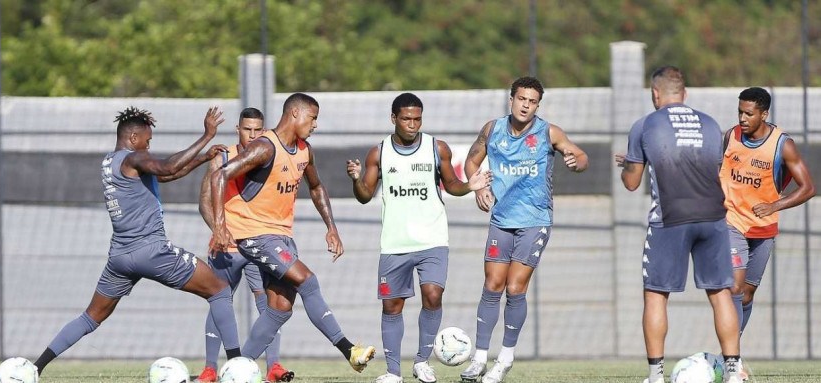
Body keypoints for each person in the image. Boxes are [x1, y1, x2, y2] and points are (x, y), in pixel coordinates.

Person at [33, 106, 241, 375]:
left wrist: (203, 158)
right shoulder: (133, 159)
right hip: (152, 251)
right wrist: (206, 136)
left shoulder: (111, 162)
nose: (148, 146)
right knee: (220, 290)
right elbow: (167, 166)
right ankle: (238, 367)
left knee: (90, 317)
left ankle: (36, 368)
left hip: (120, 257)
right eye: (147, 140)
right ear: (133, 138)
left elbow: (167, 174)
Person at [209, 93, 375, 374]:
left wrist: (331, 227)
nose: (315, 125)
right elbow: (219, 175)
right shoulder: (264, 147)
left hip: (282, 235)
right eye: (313, 118)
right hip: (255, 235)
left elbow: (317, 187)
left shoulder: (305, 150)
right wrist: (220, 225)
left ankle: (236, 370)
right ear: (295, 114)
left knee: (281, 307)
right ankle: (349, 350)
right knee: (307, 281)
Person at [346, 93, 492, 383]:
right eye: (406, 119)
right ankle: (392, 372)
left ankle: (422, 361)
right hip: (395, 242)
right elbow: (365, 196)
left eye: (417, 118)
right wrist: (356, 179)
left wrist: (470, 185)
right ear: (394, 119)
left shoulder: (437, 148)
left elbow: (451, 184)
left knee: (433, 295)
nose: (412, 124)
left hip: (433, 239)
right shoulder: (379, 153)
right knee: (392, 306)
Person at [616, 66, 742, 383]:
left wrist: (631, 164)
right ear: (684, 95)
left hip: (670, 219)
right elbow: (711, 171)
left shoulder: (645, 124)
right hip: (714, 218)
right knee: (721, 294)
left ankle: (656, 376)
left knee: (656, 295)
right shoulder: (711, 125)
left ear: (655, 95)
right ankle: (733, 372)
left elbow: (631, 183)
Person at [460, 76, 588, 383]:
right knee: (492, 285)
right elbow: (470, 162)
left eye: (532, 101)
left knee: (515, 288)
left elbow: (581, 156)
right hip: (502, 219)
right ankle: (479, 358)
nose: (526, 105)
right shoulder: (492, 129)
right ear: (512, 99)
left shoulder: (549, 132)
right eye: (521, 99)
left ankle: (504, 358)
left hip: (535, 220)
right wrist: (477, 188)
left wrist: (576, 162)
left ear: (537, 105)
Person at [720, 87, 815, 379]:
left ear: (764, 114)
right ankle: (731, 362)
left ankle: (731, 354)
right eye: (740, 112)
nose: (743, 118)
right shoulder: (729, 136)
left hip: (763, 228)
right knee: (734, 288)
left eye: (749, 113)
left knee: (747, 295)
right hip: (731, 222)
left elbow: (808, 188)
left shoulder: (782, 145)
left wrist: (774, 204)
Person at [196, 108, 294, 383]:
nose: (252, 135)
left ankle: (273, 366)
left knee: (269, 302)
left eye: (258, 130)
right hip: (227, 244)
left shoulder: (268, 155)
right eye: (247, 129)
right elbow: (204, 199)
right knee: (219, 301)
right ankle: (210, 369)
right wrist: (219, 229)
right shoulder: (222, 156)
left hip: (260, 242)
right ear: (238, 129)